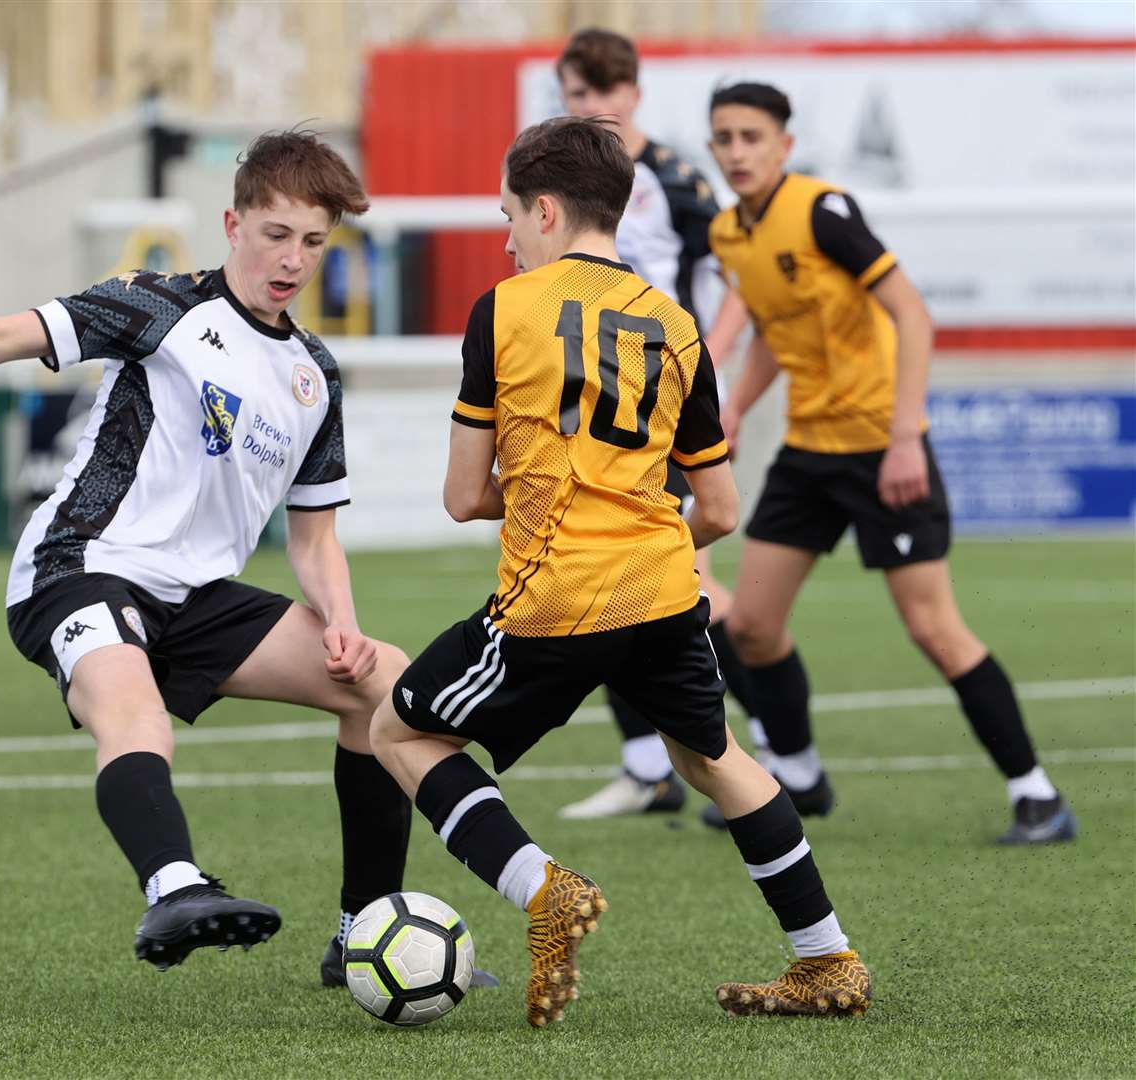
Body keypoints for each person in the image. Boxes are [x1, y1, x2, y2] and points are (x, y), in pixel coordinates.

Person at [0, 132, 494, 984]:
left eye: (314, 242)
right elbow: (6, 336)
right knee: (136, 716)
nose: (293, 260)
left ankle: (362, 932)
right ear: (234, 223)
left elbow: (315, 537)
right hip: (81, 566)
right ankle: (174, 888)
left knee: (383, 681)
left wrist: (343, 627)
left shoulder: (314, 374)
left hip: (196, 596)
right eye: (276, 235)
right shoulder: (159, 307)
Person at [368, 116, 872, 1027]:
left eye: (510, 215)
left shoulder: (504, 306)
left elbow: (461, 495)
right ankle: (826, 957)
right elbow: (718, 510)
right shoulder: (677, 326)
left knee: (397, 732)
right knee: (713, 758)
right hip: (663, 590)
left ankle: (542, 889)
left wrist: (533, 497)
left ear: (548, 210)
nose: (507, 234)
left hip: (553, 597)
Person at [705, 83, 1077, 844]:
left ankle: (1038, 796)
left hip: (883, 448)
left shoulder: (822, 209)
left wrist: (906, 435)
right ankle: (802, 776)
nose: (737, 151)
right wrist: (737, 403)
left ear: (785, 144)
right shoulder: (727, 234)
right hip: (810, 450)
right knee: (750, 627)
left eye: (751, 136)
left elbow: (912, 311)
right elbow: (776, 330)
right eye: (725, 138)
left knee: (934, 630)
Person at [553, 28, 767, 820]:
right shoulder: (566, 178)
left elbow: (741, 270)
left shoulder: (674, 178)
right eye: (578, 94)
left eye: (604, 92)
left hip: (662, 404)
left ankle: (777, 742)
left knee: (688, 584)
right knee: (605, 567)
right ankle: (648, 767)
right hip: (589, 406)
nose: (592, 107)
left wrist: (709, 355)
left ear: (635, 94)